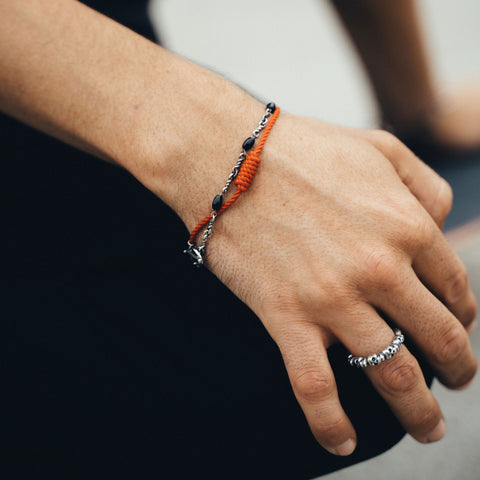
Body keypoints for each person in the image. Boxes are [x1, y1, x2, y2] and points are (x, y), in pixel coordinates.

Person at [0, 1, 477, 478]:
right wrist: (215, 149)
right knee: (268, 372)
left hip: (100, 35)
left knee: (371, 308)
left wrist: (416, 107)